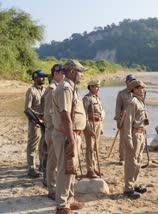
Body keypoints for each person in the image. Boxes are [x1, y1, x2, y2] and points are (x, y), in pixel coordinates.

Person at [52, 60, 87, 214]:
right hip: (66, 134)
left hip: (72, 134)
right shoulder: (65, 88)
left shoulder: (71, 88)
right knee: (64, 169)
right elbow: (65, 115)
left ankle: (69, 199)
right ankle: (61, 206)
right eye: (80, 71)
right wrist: (72, 140)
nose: (82, 74)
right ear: (72, 72)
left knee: (71, 168)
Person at [122, 80, 149, 199]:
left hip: (141, 134)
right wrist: (128, 138)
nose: (142, 90)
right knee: (131, 162)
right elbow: (127, 122)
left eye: (143, 88)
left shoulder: (140, 101)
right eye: (139, 88)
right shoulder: (132, 102)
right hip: (134, 135)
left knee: (138, 160)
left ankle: (135, 184)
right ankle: (128, 188)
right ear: (134, 90)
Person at [42, 64, 65, 200]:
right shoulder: (52, 89)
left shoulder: (58, 88)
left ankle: (55, 186)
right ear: (55, 74)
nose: (63, 75)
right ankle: (51, 188)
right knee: (53, 160)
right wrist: (56, 127)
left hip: (56, 129)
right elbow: (49, 113)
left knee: (56, 159)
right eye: (61, 73)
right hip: (52, 130)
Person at [24, 70, 48, 178]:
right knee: (32, 146)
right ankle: (31, 169)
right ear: (35, 77)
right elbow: (27, 109)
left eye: (44, 77)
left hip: (45, 122)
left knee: (43, 145)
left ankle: (42, 166)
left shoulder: (46, 90)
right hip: (35, 122)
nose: (43, 78)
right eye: (41, 77)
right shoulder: (31, 90)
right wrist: (37, 120)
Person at [83, 79, 105, 178]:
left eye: (98, 86)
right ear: (91, 87)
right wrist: (88, 128)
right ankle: (90, 169)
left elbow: (101, 112)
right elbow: (84, 115)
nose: (98, 88)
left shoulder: (97, 98)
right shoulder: (87, 98)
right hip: (90, 124)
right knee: (90, 148)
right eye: (96, 86)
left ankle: (95, 167)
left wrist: (101, 126)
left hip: (98, 123)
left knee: (95, 148)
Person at [114, 74, 136, 165]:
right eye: (130, 80)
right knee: (123, 139)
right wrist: (118, 121)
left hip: (135, 120)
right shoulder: (121, 93)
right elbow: (118, 108)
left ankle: (132, 157)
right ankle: (122, 158)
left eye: (133, 80)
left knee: (135, 139)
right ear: (126, 82)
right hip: (124, 120)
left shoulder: (137, 92)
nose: (131, 82)